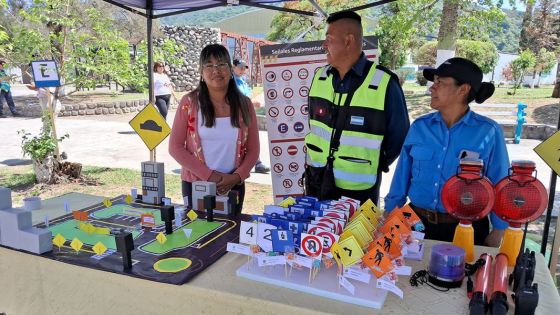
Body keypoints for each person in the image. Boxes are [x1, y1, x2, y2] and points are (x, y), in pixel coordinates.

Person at [384, 57, 509, 247]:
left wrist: (499, 230)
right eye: (434, 82)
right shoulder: (420, 127)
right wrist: (390, 211)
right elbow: (402, 174)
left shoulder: (488, 132)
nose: (432, 88)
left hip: (467, 229)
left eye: (440, 83)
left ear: (463, 89)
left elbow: (500, 183)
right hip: (415, 224)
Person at [304, 10, 409, 205]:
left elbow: (399, 136)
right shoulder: (320, 76)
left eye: (329, 39)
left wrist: (374, 163)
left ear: (348, 40)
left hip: (358, 192)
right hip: (316, 182)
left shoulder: (384, 83)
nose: (323, 45)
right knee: (315, 235)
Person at [169, 44, 259, 213]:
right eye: (209, 65)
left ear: (230, 69)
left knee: (231, 234)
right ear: (201, 72)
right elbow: (175, 147)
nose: (215, 70)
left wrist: (236, 177)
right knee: (198, 234)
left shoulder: (244, 105)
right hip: (196, 185)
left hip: (234, 185)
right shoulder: (189, 103)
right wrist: (211, 177)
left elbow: (253, 150)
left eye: (221, 64)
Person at [232, 58, 270, 174]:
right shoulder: (230, 81)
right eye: (241, 67)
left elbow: (247, 96)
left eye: (244, 68)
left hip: (246, 114)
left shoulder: (242, 80)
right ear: (233, 67)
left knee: (251, 139)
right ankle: (253, 164)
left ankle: (257, 163)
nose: (243, 70)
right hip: (235, 115)